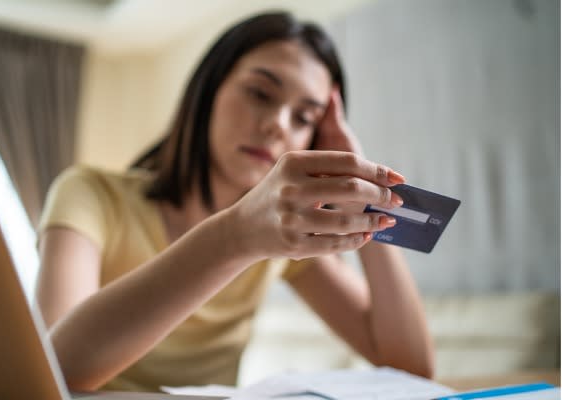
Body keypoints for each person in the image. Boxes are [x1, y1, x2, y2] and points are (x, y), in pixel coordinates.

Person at [36, 11, 434, 393]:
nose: (277, 124)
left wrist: (368, 200)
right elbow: (51, 370)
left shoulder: (281, 241)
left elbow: (411, 370)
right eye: (260, 93)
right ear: (208, 93)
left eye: (304, 118)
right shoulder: (89, 194)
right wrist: (235, 236)